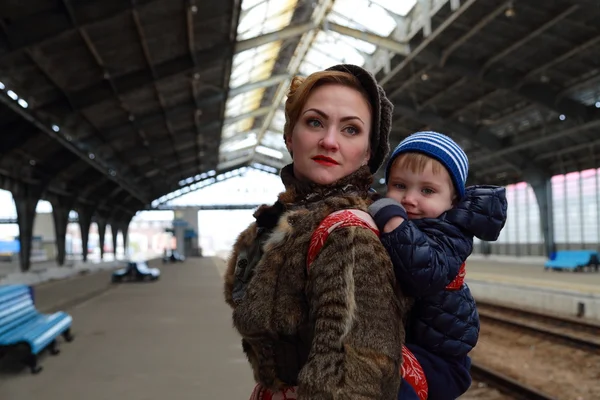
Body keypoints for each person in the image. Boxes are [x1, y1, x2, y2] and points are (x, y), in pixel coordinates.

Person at [224, 64, 408, 399]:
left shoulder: (347, 235)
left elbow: (351, 384)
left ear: (368, 152)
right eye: (314, 122)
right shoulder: (278, 225)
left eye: (351, 130)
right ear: (289, 136)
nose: (329, 141)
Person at [368, 131, 508, 399]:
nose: (409, 198)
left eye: (427, 190)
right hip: (415, 343)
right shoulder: (416, 223)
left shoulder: (452, 233)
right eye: (399, 185)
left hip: (439, 360)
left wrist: (392, 222)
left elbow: (424, 273)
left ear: (453, 201)